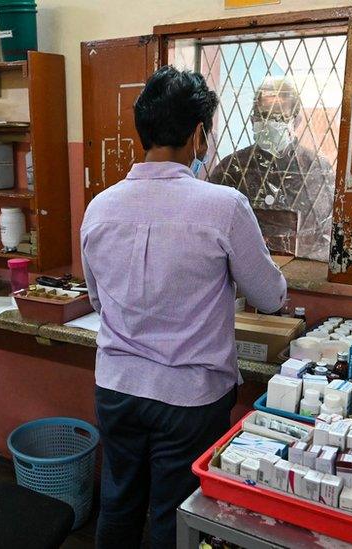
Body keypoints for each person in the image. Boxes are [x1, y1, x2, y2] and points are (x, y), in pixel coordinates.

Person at [81, 66, 287, 549]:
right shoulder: (224, 205)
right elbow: (270, 297)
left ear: (144, 130)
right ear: (198, 134)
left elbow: (96, 297)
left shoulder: (99, 207)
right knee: (174, 513)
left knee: (118, 501)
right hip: (189, 398)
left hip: (116, 386)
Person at [208, 77, 335, 261]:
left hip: (302, 270)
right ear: (252, 120)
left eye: (279, 117)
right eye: (263, 115)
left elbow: (326, 236)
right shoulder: (231, 169)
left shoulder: (316, 170)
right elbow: (210, 228)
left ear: (296, 120)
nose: (270, 123)